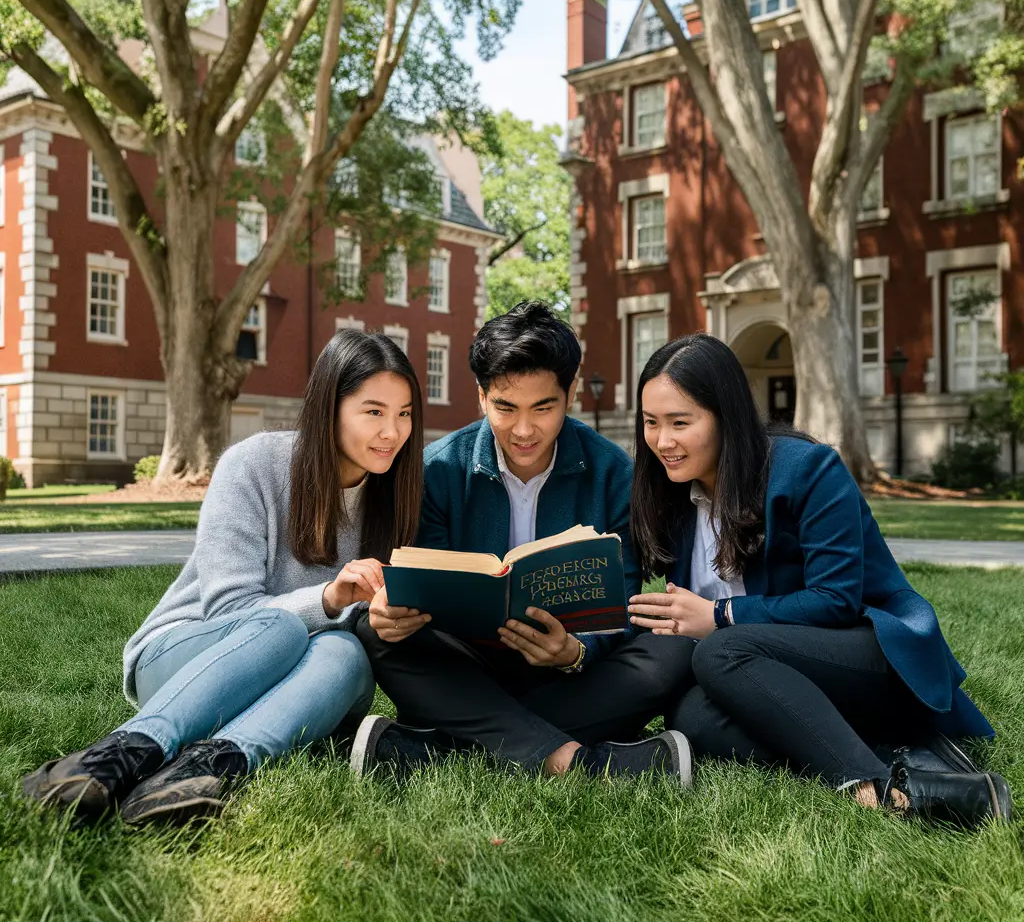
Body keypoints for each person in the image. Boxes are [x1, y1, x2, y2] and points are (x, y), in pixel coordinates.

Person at [22, 330, 422, 825]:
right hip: (192, 661)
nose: (392, 432)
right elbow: (229, 610)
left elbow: (361, 630)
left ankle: (205, 769)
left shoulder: (397, 496)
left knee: (346, 653)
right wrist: (329, 596)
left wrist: (382, 615)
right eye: (374, 411)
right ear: (330, 407)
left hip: (298, 682)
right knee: (281, 627)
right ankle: (120, 753)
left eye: (404, 414)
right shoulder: (253, 465)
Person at [626, 332, 1012, 826]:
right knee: (692, 717)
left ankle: (885, 790)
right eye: (651, 423)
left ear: (728, 418)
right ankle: (889, 748)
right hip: (769, 673)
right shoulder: (673, 494)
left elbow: (835, 600)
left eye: (681, 423)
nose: (663, 441)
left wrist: (720, 616)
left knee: (721, 650)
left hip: (864, 651)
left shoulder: (807, 469)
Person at [352, 302, 694, 781]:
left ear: (570, 394)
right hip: (466, 666)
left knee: (673, 650)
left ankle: (446, 748)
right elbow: (419, 582)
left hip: (566, 670)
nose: (524, 430)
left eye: (543, 407)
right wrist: (394, 613)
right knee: (372, 630)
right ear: (481, 396)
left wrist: (575, 652)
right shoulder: (438, 470)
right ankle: (580, 763)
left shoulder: (615, 473)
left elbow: (626, 598)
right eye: (505, 408)